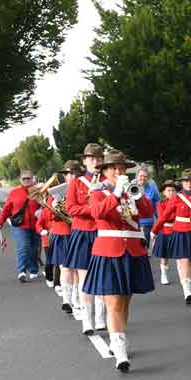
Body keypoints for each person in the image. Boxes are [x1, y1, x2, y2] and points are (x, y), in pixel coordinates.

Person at [83, 150, 155, 372]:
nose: (119, 171)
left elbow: (147, 211)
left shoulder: (131, 192)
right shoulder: (98, 192)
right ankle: (121, 351)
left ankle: (117, 340)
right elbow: (97, 213)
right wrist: (115, 194)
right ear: (105, 171)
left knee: (125, 302)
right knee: (113, 302)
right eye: (115, 168)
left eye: (122, 168)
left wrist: (137, 194)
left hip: (133, 251)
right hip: (109, 251)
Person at [65, 143, 107, 335]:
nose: (95, 162)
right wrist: (94, 210)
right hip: (82, 232)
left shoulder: (108, 182)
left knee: (102, 276)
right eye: (91, 159)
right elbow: (71, 209)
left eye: (98, 159)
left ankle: (100, 318)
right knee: (84, 277)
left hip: (102, 233)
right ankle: (87, 320)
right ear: (85, 161)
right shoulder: (76, 182)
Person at [152, 169, 191, 304]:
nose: (189, 184)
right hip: (181, 231)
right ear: (182, 183)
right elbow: (165, 216)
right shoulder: (176, 198)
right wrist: (154, 230)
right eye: (186, 181)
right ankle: (187, 291)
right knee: (184, 260)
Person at [47, 160, 83, 313]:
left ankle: (76, 298)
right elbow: (48, 215)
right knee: (64, 267)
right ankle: (67, 299)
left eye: (73, 173)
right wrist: (55, 207)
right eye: (67, 174)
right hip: (61, 233)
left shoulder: (82, 189)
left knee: (76, 268)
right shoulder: (56, 193)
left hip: (77, 232)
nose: (70, 176)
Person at [0, 170, 41, 282]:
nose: (26, 180)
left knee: (34, 249)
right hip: (20, 226)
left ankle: (34, 269)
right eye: (24, 179)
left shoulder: (39, 191)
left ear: (32, 179)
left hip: (36, 225)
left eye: (28, 178)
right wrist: (0, 222)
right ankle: (22, 271)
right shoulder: (14, 192)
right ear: (20, 180)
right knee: (23, 247)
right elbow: (6, 209)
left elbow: (45, 206)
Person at [151, 180, 178, 285]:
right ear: (164, 192)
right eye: (169, 190)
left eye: (173, 190)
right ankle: (164, 274)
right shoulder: (160, 204)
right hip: (165, 230)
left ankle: (183, 275)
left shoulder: (179, 202)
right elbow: (163, 217)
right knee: (164, 256)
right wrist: (172, 216)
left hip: (177, 230)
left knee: (180, 256)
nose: (171, 192)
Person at [135, 166, 161, 245]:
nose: (142, 178)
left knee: (145, 246)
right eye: (140, 176)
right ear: (137, 176)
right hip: (134, 222)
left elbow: (157, 203)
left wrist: (159, 221)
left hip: (147, 222)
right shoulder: (131, 185)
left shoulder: (152, 187)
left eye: (145, 176)